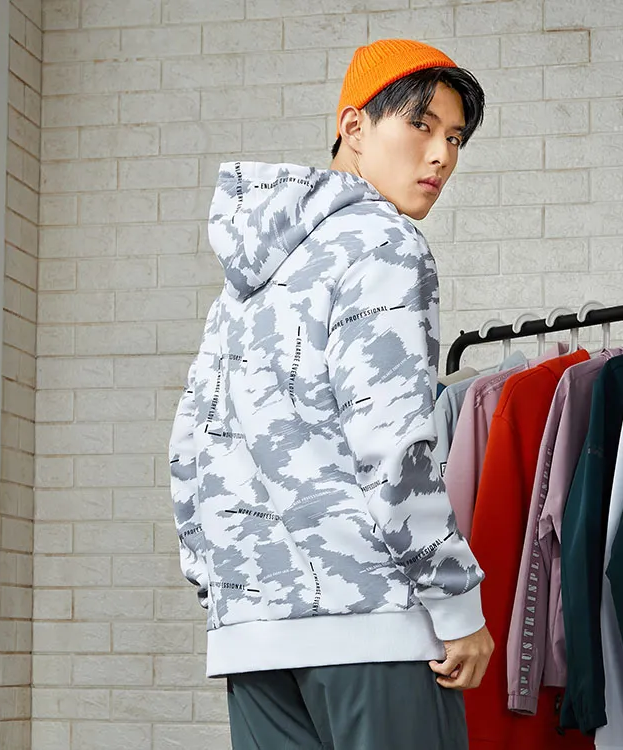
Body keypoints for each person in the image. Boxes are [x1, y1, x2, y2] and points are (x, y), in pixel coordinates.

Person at [169, 38, 494, 750]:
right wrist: (456, 603)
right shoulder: (385, 242)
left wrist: (223, 587)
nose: (441, 155)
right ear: (354, 126)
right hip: (371, 625)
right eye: (421, 125)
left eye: (454, 137)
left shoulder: (251, 274)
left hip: (252, 633)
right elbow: (394, 445)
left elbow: (191, 440)